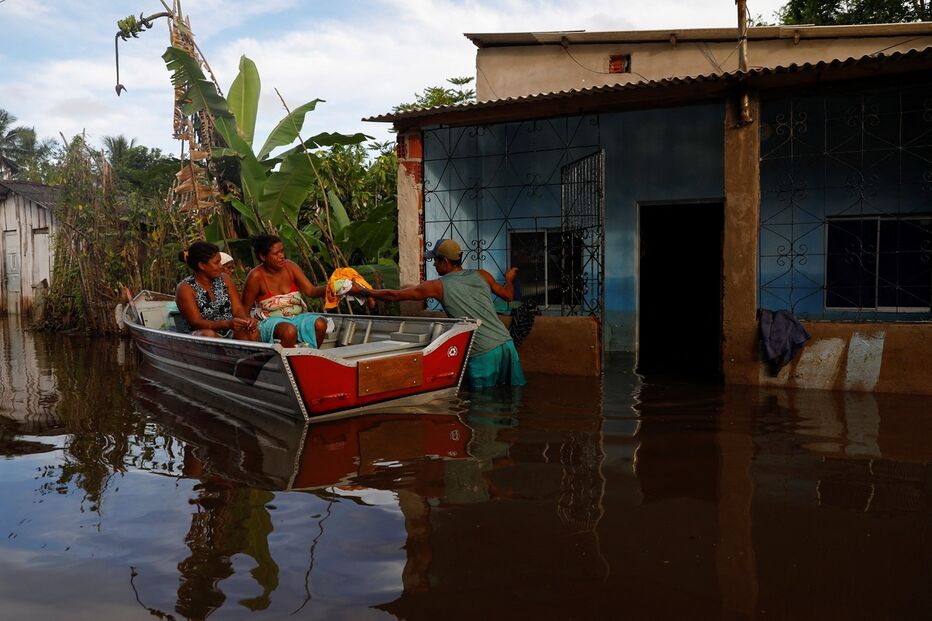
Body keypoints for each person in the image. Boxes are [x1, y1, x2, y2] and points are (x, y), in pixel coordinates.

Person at [360, 238, 527, 390]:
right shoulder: (482, 275)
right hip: (507, 345)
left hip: (483, 352)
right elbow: (509, 296)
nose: (433, 265)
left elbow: (394, 296)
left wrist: (366, 292)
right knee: (514, 395)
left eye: (435, 261)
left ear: (445, 261)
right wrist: (509, 279)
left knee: (484, 410)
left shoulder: (437, 286)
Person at [241, 234, 328, 348]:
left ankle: (310, 356)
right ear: (263, 256)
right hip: (270, 321)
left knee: (320, 323)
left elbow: (311, 291)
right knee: (289, 330)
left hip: (297, 317)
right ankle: (285, 363)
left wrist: (333, 287)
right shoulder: (255, 276)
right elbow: (243, 311)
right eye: (276, 253)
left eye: (282, 251)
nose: (281, 256)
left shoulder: (290, 267)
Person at [175, 241, 258, 340]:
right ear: (202, 265)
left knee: (251, 332)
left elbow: (238, 309)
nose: (220, 266)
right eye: (216, 263)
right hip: (202, 334)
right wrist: (226, 324)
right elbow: (196, 322)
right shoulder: (185, 288)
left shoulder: (225, 279)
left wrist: (246, 321)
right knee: (208, 335)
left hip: (230, 330)